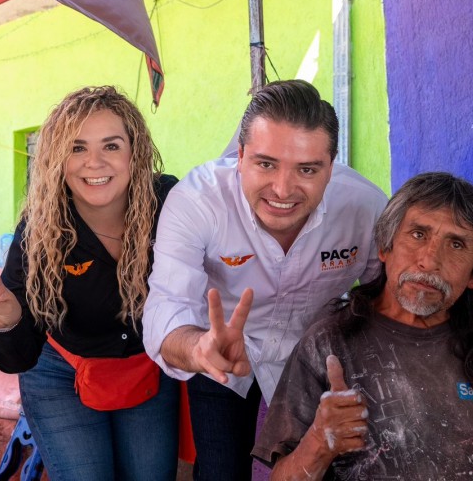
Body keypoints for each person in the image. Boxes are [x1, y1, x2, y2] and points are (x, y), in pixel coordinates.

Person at [142, 79, 388, 480]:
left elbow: (388, 291)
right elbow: (165, 308)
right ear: (239, 156)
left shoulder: (365, 207)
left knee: (327, 471)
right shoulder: (197, 200)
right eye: (266, 163)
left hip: (314, 352)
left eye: (307, 169)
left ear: (332, 164)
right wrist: (200, 348)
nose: (283, 189)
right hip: (219, 343)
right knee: (221, 471)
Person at [253, 172, 473, 480]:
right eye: (418, 234)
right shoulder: (328, 345)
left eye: (456, 244)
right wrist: (320, 441)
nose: (430, 260)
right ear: (385, 247)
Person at [0, 86, 180, 481]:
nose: (94, 163)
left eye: (111, 146)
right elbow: (17, 357)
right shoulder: (40, 231)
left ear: (136, 151)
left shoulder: (168, 202)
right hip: (62, 375)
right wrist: (9, 320)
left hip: (145, 367)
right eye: (77, 148)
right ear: (58, 159)